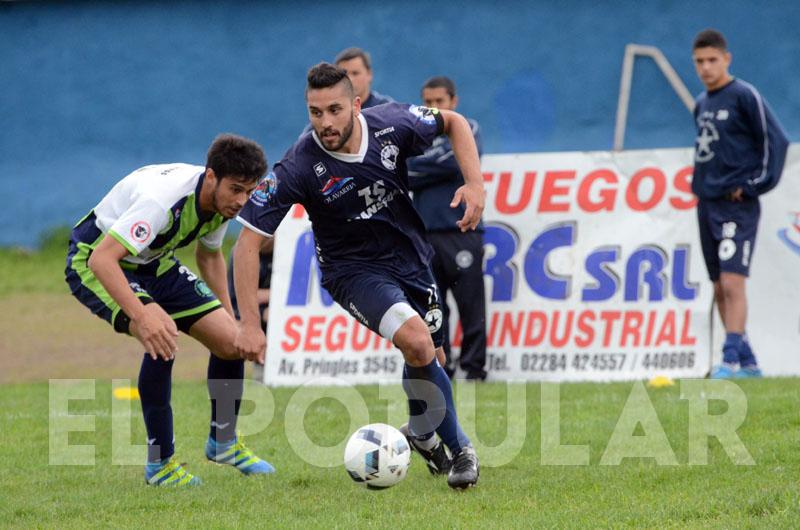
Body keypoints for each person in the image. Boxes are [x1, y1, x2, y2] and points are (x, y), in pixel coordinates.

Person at [234, 63, 484, 489]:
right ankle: (462, 450)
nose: (325, 123)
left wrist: (474, 183)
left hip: (411, 257)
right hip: (353, 272)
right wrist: (249, 324)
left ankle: (423, 434)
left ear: (355, 104)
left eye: (334, 110)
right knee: (417, 340)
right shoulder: (299, 164)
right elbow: (247, 243)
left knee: (430, 359)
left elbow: (454, 122)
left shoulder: (393, 123)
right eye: (315, 112)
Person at [65, 134, 275, 486]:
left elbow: (209, 256)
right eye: (236, 190)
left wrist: (230, 317)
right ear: (211, 177)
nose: (242, 201)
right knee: (161, 332)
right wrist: (142, 314)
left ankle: (223, 442)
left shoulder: (222, 204)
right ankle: (160, 463)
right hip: (94, 260)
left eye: (249, 191)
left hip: (154, 262)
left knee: (230, 341)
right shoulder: (162, 202)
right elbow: (103, 258)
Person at [691, 29, 789, 378]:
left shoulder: (744, 95)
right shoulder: (702, 103)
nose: (705, 68)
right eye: (699, 61)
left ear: (726, 58)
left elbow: (777, 141)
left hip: (736, 207)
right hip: (707, 204)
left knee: (734, 284)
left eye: (712, 60)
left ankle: (729, 359)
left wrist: (753, 186)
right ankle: (747, 362)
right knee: (718, 287)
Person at [407, 76, 487, 381]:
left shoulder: (468, 128)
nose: (433, 107)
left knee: (471, 304)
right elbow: (403, 173)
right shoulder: (416, 137)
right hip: (424, 234)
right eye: (427, 102)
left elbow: (454, 163)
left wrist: (421, 168)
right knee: (433, 307)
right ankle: (444, 367)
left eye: (439, 101)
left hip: (462, 231)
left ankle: (475, 369)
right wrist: (426, 166)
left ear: (453, 102)